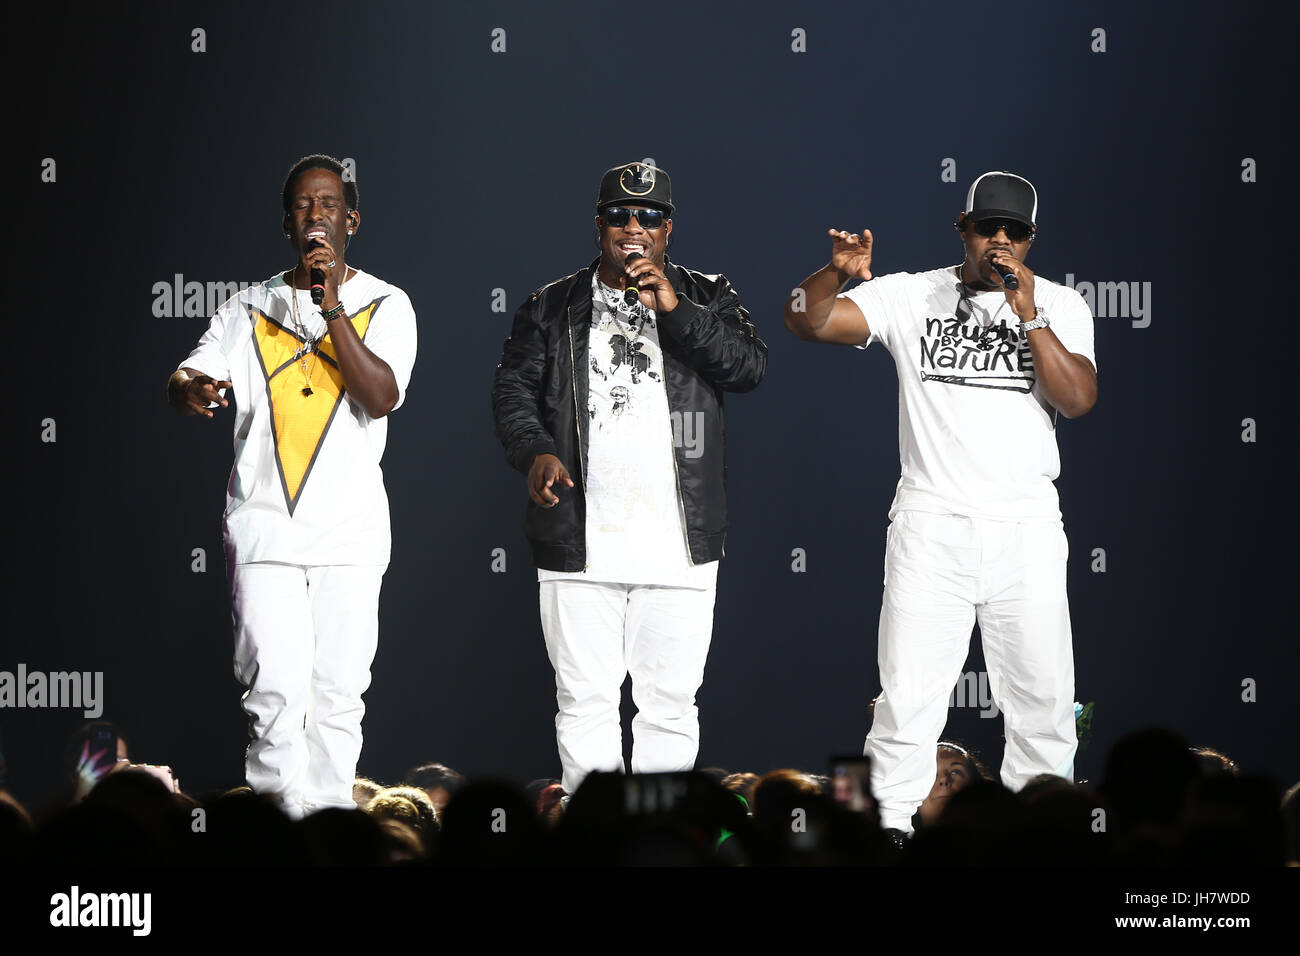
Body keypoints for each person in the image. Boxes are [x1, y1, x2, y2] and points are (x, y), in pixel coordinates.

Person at [784, 170, 1097, 832]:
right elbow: (802, 320)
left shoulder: (1062, 305)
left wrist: (1029, 313)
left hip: (1027, 528)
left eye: (1016, 232)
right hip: (932, 527)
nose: (1001, 242)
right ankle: (884, 839)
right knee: (906, 703)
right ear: (965, 229)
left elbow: (1078, 399)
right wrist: (834, 273)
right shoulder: (910, 295)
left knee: (1045, 704)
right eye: (989, 228)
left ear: (1032, 239)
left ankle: (1042, 843)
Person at [492, 161, 766, 796]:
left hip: (680, 539)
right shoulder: (549, 304)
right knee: (583, 701)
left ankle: (659, 840)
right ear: (599, 225)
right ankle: (596, 843)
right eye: (619, 216)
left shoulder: (708, 292)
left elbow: (748, 367)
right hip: (578, 532)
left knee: (669, 706)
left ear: (669, 227)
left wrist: (674, 306)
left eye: (648, 217)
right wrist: (534, 450)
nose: (633, 227)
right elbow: (513, 391)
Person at [168, 154, 417, 819]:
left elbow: (382, 395)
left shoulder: (388, 303)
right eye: (305, 207)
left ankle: (332, 825)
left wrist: (331, 306)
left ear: (351, 220)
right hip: (263, 531)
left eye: (329, 204)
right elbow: (189, 372)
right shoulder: (245, 309)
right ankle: (277, 832)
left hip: (351, 537)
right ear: (287, 224)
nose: (317, 216)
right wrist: (191, 388)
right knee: (272, 694)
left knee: (338, 693)